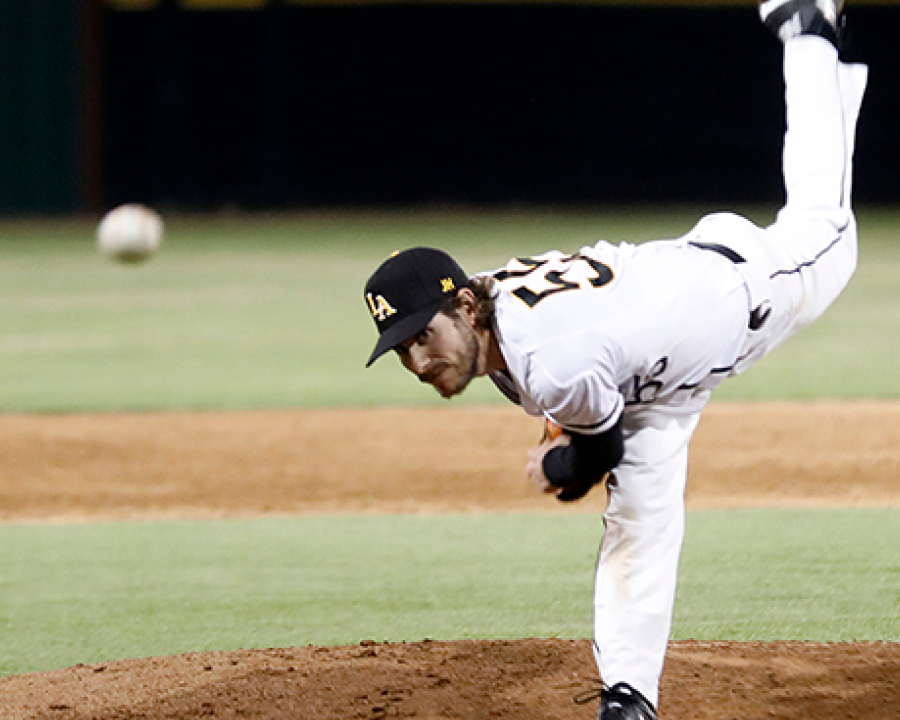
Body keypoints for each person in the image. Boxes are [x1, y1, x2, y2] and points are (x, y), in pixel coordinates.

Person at [360, 0, 864, 717]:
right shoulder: (494, 311)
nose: (417, 360)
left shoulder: (548, 357)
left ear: (466, 306)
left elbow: (594, 450)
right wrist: (565, 443)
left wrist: (559, 466)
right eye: (402, 347)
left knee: (825, 221)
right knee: (639, 518)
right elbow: (575, 393)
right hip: (656, 378)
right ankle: (629, 697)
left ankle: (809, 33)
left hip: (745, 287)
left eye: (422, 335)